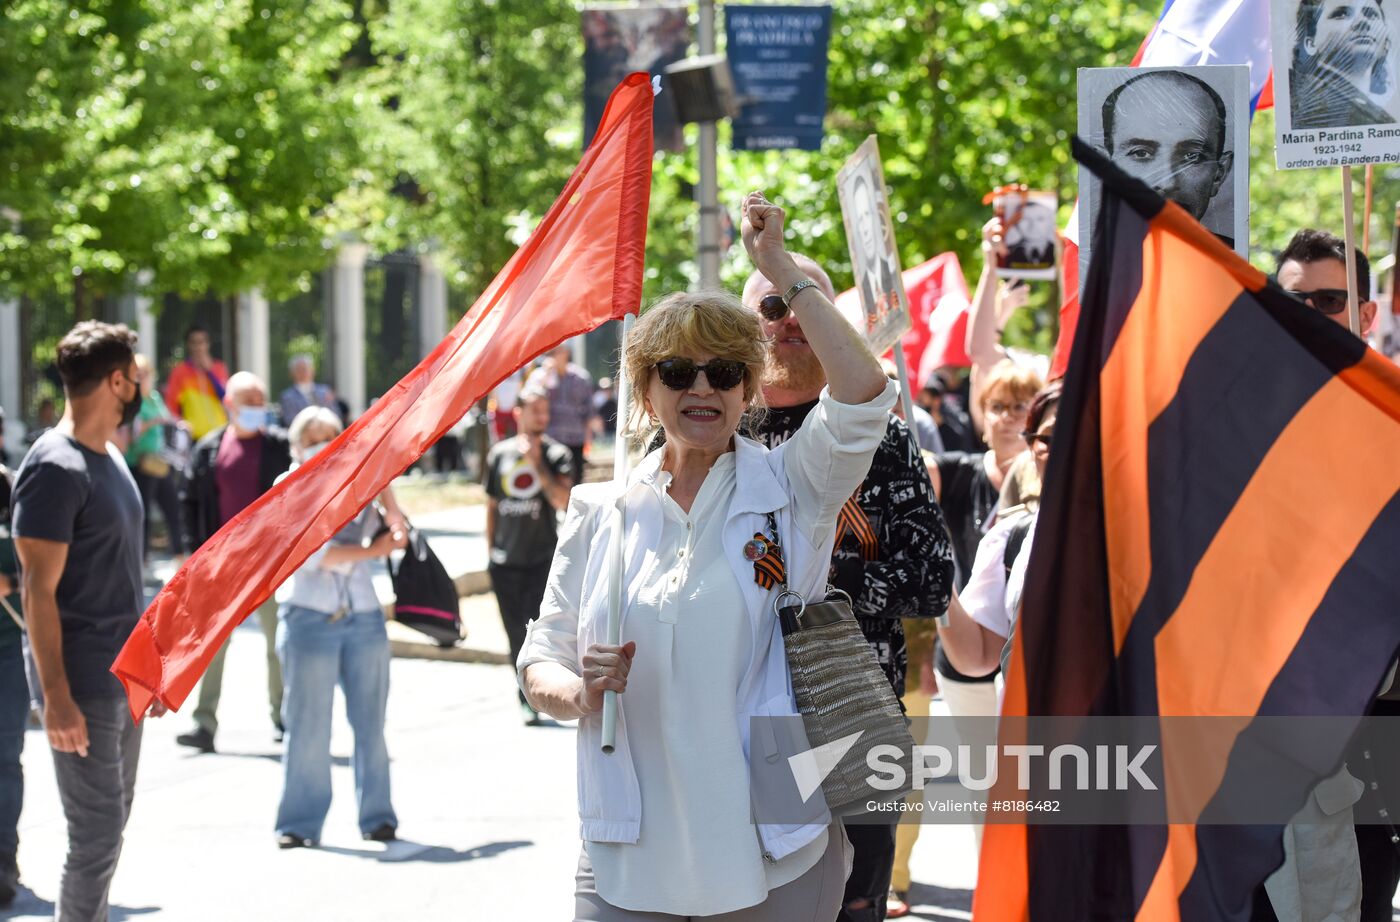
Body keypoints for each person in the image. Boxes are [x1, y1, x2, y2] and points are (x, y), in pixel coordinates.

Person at [520, 191, 895, 920]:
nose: (702, 387)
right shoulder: (600, 512)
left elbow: (863, 393)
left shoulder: (792, 486)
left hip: (776, 841)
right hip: (628, 848)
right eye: (677, 370)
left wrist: (778, 268)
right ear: (644, 386)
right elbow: (541, 659)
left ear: (749, 389)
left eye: (725, 373)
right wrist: (582, 694)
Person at [745, 263, 954, 922]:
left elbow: (933, 580)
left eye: (807, 305)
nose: (790, 320)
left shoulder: (879, 433)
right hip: (744, 728)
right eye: (773, 304)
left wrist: (824, 580)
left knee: (851, 909)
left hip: (856, 722)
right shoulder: (715, 434)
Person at [11, 321, 168, 922]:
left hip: (122, 678)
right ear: (116, 380)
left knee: (110, 831)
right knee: (96, 838)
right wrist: (55, 698)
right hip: (81, 684)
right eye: (136, 378)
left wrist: (148, 666)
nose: (140, 389)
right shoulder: (55, 466)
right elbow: (37, 592)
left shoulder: (112, 459)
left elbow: (124, 578)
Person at [1275, 228, 1389, 922]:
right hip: (1308, 720)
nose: (1312, 313)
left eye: (1331, 300)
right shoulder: (1248, 416)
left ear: (1368, 314)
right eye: (1296, 300)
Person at [273, 406, 406, 849]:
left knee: (371, 723)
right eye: (311, 436)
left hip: (362, 615)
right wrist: (374, 552)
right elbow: (313, 557)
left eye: (330, 436)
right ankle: (299, 823)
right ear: (295, 445)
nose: (320, 443)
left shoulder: (361, 483)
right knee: (307, 726)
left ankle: (378, 817)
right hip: (309, 617)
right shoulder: (288, 487)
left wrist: (387, 498)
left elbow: (397, 530)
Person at [176, 371, 290, 752]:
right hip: (220, 568)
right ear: (229, 405)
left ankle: (284, 717)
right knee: (212, 646)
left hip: (269, 565)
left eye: (261, 401)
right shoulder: (208, 450)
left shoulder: (279, 447)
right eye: (250, 402)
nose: (257, 409)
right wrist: (194, 555)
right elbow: (189, 503)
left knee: (278, 643)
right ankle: (204, 724)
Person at [485, 386, 574, 725]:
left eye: (545, 410)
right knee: (512, 633)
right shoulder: (499, 454)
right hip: (504, 563)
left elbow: (562, 501)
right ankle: (523, 694)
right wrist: (490, 552)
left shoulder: (557, 454)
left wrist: (537, 464)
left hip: (541, 560)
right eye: (534, 409)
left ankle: (538, 693)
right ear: (519, 412)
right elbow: (492, 506)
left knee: (535, 633)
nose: (542, 416)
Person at [1101, 70, 1236, 243]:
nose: (1168, 183)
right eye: (1141, 153)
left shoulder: (1235, 267)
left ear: (1219, 174)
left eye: (1191, 156)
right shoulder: (1083, 266)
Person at [1290, 0, 1395, 129]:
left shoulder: (1386, 118)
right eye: (1342, 14)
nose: (1363, 22)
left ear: (1386, 42)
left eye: (1372, 15)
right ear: (1310, 43)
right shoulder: (1300, 107)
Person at [123, 354, 186, 563]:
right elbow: (131, 435)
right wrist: (153, 423)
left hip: (159, 463)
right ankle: (142, 560)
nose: (141, 379)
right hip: (140, 464)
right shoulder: (132, 401)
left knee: (173, 508)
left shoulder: (156, 398)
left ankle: (179, 557)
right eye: (137, 375)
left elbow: (168, 419)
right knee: (143, 514)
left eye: (144, 374)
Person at [0, 451, 23, 908]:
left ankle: (3, 860)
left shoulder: (15, 483)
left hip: (9, 654)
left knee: (4, 757)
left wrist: (12, 580)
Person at [527, 344, 594, 479]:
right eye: (549, 353)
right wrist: (546, 375)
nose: (552, 357)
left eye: (555, 352)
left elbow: (588, 412)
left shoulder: (580, 378)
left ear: (566, 353)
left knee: (574, 482)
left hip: (575, 439)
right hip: (549, 439)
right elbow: (529, 400)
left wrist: (588, 441)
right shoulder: (538, 376)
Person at [849, 172, 901, 331]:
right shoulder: (861, 294)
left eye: (868, 215)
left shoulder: (892, 276)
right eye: (860, 220)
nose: (865, 228)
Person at [165, 325, 230, 440]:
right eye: (194, 343)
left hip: (220, 433)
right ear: (188, 345)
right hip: (193, 436)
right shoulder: (180, 372)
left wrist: (209, 372)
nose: (198, 347)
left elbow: (225, 397)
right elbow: (171, 406)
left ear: (208, 344)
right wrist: (181, 424)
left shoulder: (219, 368)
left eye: (201, 342)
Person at [277, 354, 338, 427]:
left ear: (313, 370)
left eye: (306, 368)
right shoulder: (287, 396)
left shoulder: (325, 391)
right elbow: (290, 420)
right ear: (291, 373)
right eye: (299, 369)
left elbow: (335, 415)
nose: (303, 372)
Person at [1004, 199, 1057, 269]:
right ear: (1016, 223)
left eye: (1040, 219)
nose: (1033, 225)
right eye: (1026, 219)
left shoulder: (1059, 251)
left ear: (1050, 222)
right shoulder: (1007, 252)